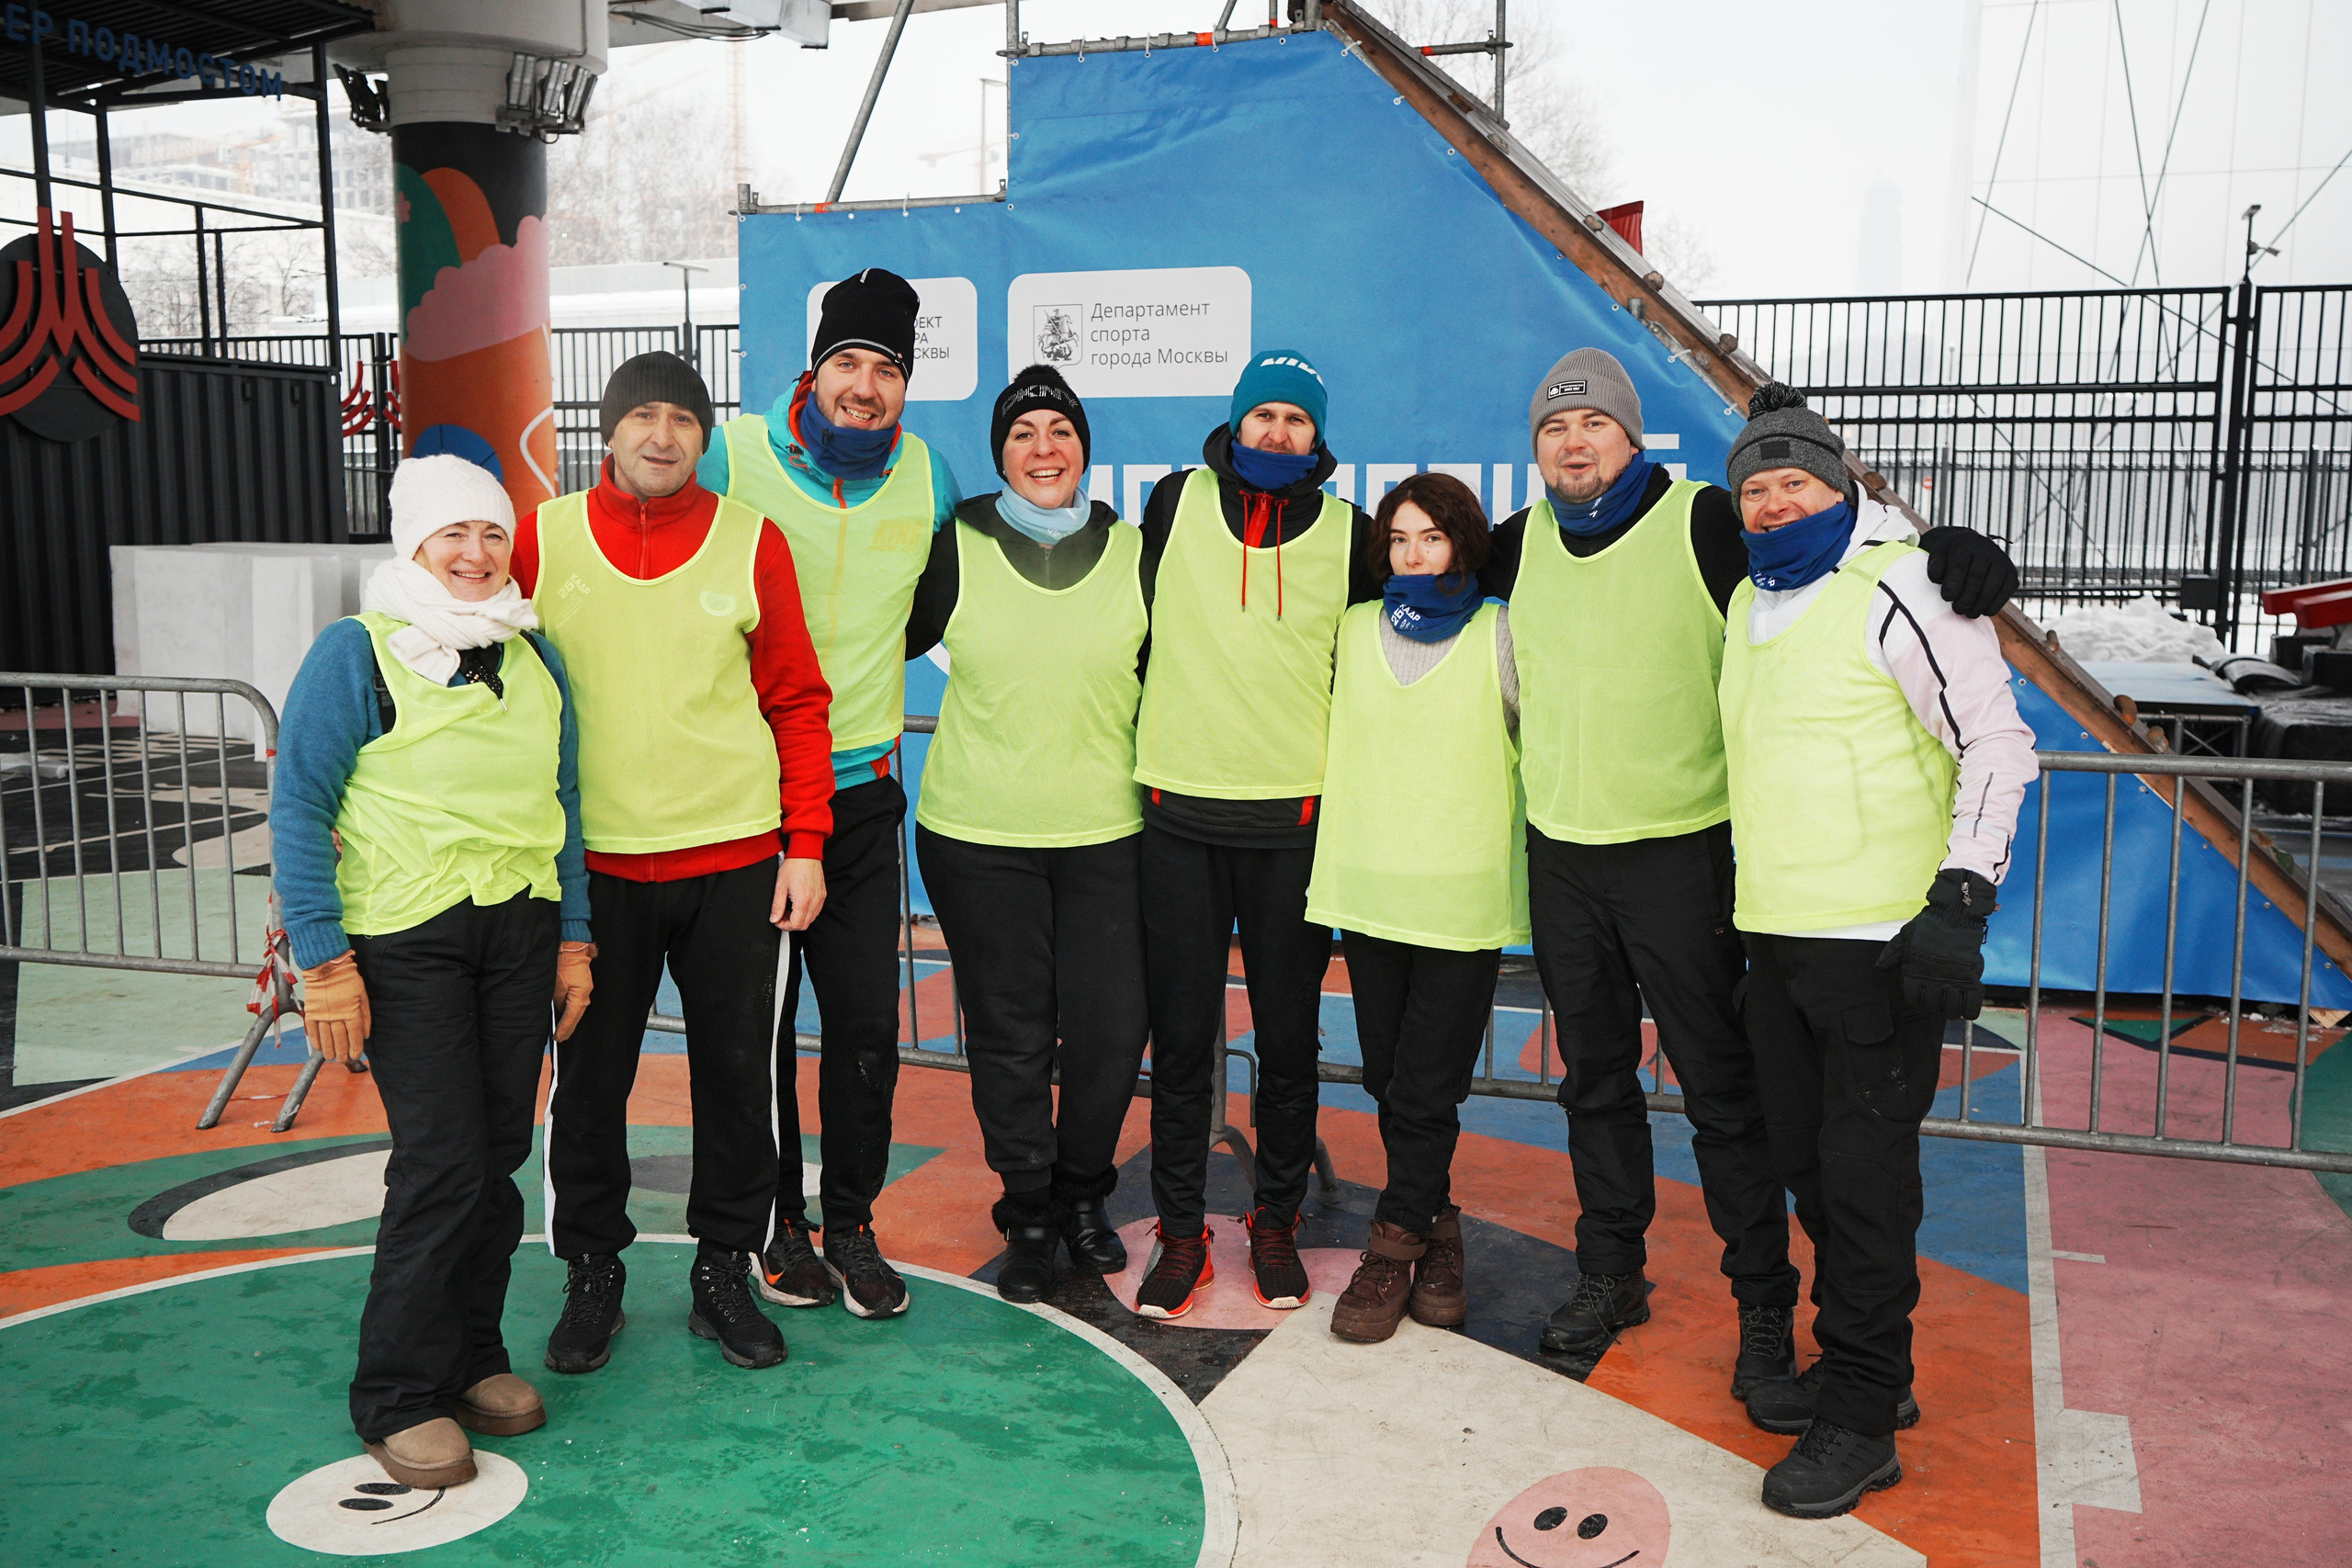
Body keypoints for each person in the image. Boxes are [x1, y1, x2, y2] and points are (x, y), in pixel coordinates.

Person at [1478, 350, 2019, 1393]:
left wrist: (1945, 548)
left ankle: (1761, 1308)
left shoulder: (1704, 521)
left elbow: (1836, 548)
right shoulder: (1521, 543)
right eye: (1553, 428)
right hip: (1562, 854)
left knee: (1727, 1101)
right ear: (1536, 450)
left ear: (1633, 439)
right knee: (1592, 1085)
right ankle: (1610, 1273)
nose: (1574, 441)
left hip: (1681, 856)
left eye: (1595, 423)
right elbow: (1415, 563)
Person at [1718, 384, 2033, 1517]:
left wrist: (1960, 900)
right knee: (1809, 1171)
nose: (1773, 501)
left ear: (1842, 484)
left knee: (1860, 1191)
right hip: (1779, 944)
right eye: (1754, 486)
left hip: (1877, 950)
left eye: (1795, 479)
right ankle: (1866, 1371)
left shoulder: (1906, 587)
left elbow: (1998, 745)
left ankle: (1860, 1416)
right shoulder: (1751, 596)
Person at [273, 454, 593, 1489]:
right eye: (452, 535)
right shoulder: (354, 653)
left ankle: (471, 1358)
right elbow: (298, 807)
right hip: (407, 940)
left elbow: (567, 810)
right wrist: (323, 961)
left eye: (491, 534)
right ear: (413, 545)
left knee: (499, 1156)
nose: (474, 553)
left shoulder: (535, 655)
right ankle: (398, 1393)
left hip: (518, 934)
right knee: (442, 1162)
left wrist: (574, 938)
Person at [521, 353, 835, 1374]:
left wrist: (807, 844)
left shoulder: (753, 540)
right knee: (589, 1084)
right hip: (593, 872)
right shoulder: (542, 539)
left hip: (735, 860)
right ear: (607, 430)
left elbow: (796, 701)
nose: (662, 435)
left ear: (708, 437)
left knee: (738, 1080)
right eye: (642, 416)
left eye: (683, 420)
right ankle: (593, 1273)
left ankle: (721, 1271)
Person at [699, 268, 962, 1319]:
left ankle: (849, 1224)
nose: (866, 386)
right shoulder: (735, 455)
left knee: (862, 1032)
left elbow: (925, 614)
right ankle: (776, 1228)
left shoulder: (928, 475)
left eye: (887, 369)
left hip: (857, 797)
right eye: (848, 363)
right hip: (747, 800)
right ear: (813, 371)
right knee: (758, 1033)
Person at [1129, 349, 1388, 1319]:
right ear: (1235, 423)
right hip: (1179, 819)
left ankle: (1273, 1221)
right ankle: (1183, 1232)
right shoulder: (1171, 504)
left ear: (1318, 436)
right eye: (1263, 414)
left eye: (1296, 419)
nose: (1277, 432)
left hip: (1295, 824)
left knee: (1287, 1042)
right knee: (1184, 1041)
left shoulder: (1354, 535)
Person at [904, 366, 1150, 1303]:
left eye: (1059, 430)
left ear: (1083, 447)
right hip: (978, 833)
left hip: (1107, 833)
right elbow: (868, 633)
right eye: (1023, 434)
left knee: (1106, 1032)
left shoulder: (1135, 552)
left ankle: (1086, 1196)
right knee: (1010, 1035)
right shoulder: (956, 544)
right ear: (999, 452)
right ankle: (1031, 1210)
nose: (1043, 448)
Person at [1306, 473, 1528, 1345]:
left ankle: (1392, 1249)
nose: (1412, 553)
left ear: (1464, 543)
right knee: (1387, 1078)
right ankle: (1441, 1234)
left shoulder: (1498, 632)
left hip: (1460, 895)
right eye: (1398, 538)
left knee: (1427, 1087)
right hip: (1369, 890)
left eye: (1430, 537)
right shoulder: (1355, 629)